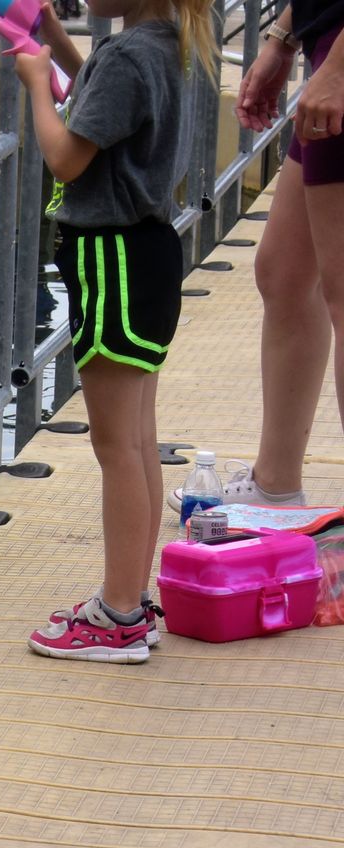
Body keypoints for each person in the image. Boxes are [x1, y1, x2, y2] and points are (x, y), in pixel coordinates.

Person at [16, 0, 217, 662]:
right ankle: (132, 598)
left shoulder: (130, 56)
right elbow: (102, 103)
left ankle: (119, 614)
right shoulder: (166, 43)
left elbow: (66, 158)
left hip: (113, 260)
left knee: (116, 446)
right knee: (137, 439)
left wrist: (37, 85)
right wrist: (53, 36)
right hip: (149, 253)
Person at [160, 0, 344, 512]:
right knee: (284, 272)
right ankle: (275, 486)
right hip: (326, 44)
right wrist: (284, 37)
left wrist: (337, 68)